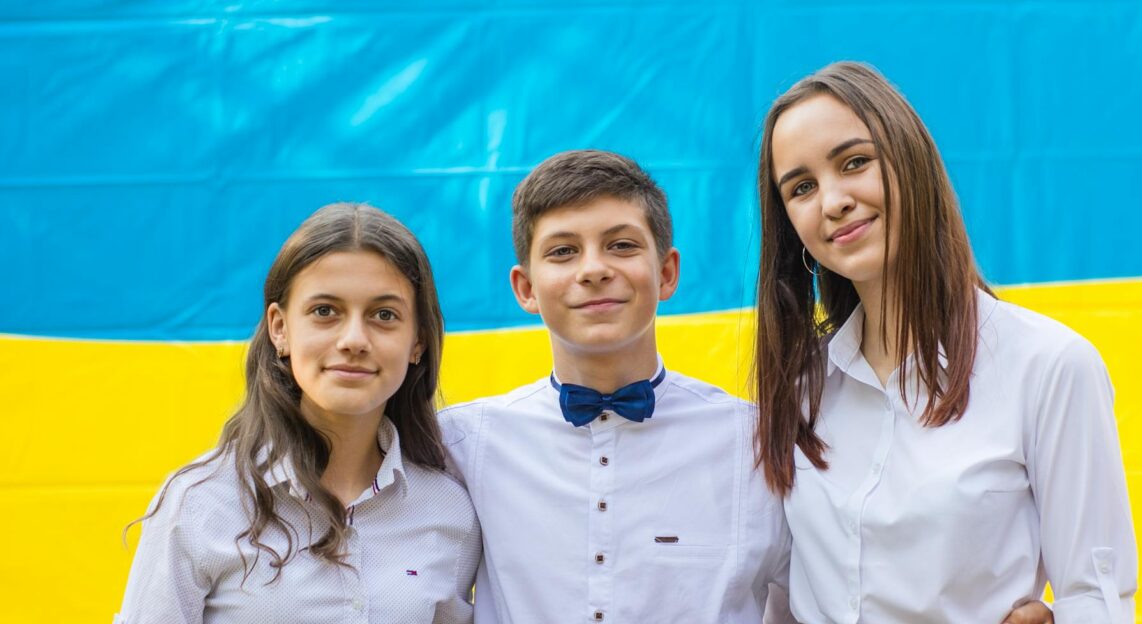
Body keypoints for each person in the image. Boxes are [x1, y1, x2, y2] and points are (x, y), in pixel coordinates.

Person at [753, 60, 1137, 623]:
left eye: (855, 162)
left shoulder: (1049, 366)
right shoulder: (800, 387)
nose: (832, 201)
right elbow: (784, 598)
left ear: (911, 161)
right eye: (802, 187)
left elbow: (1097, 598)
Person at [439, 149, 795, 623]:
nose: (593, 269)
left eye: (622, 245)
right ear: (526, 288)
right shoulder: (465, 445)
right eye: (563, 251)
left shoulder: (758, 442)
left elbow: (810, 605)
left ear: (666, 273)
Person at [116, 203, 481, 623]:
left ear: (417, 341)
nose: (354, 339)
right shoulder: (201, 502)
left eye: (384, 315)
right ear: (280, 328)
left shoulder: (450, 510)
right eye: (325, 311)